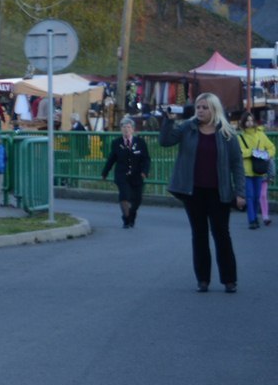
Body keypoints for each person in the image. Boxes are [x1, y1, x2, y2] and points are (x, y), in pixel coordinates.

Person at [159, 94, 245, 293]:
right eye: (198, 107)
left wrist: (240, 193)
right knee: (199, 235)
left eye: (204, 107)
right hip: (194, 191)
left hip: (219, 192)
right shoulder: (187, 128)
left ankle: (229, 280)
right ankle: (203, 280)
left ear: (214, 109)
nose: (200, 111)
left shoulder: (227, 133)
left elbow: (237, 165)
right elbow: (165, 142)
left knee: (222, 234)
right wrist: (168, 122)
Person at [100, 117, 151, 229]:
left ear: (133, 129)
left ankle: (132, 214)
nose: (126, 130)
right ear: (121, 129)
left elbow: (146, 159)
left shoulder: (140, 143)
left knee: (137, 200)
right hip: (122, 175)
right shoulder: (116, 143)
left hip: (137, 175)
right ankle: (126, 218)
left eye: (128, 127)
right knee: (124, 196)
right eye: (124, 127)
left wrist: (144, 172)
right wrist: (105, 172)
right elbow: (111, 159)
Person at [235, 110, 273, 230]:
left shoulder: (260, 134)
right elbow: (239, 152)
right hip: (247, 171)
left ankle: (255, 217)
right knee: (250, 196)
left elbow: (271, 147)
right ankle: (252, 220)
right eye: (247, 121)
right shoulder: (240, 137)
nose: (250, 123)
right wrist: (251, 153)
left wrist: (266, 154)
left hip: (259, 170)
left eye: (251, 120)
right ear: (243, 122)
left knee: (257, 196)